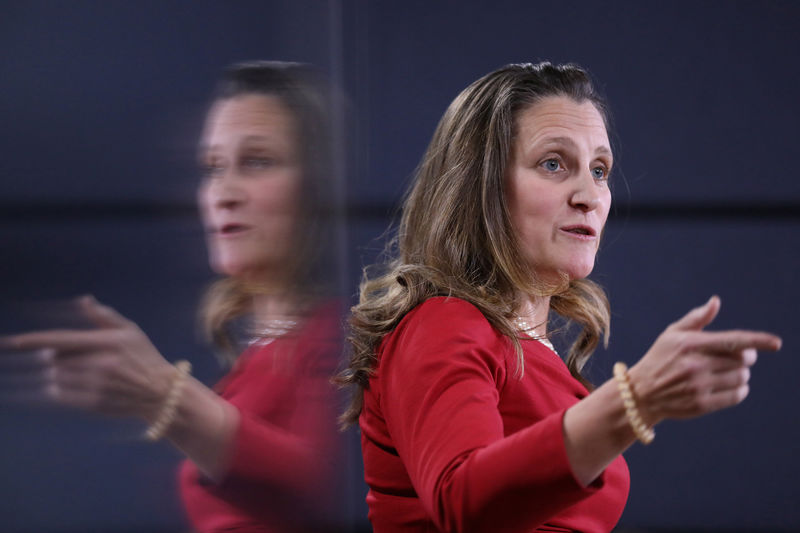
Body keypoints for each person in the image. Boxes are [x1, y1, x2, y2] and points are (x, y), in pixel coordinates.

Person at [337, 62, 782, 533]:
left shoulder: (537, 354)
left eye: (600, 170)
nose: (589, 194)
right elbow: (463, 501)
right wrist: (633, 400)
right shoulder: (441, 322)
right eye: (554, 163)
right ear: (481, 186)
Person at [1, 61, 345, 532]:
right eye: (213, 168)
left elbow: (331, 483)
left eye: (258, 161)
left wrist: (167, 396)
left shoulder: (343, 331)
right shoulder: (258, 355)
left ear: (320, 187)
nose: (223, 193)